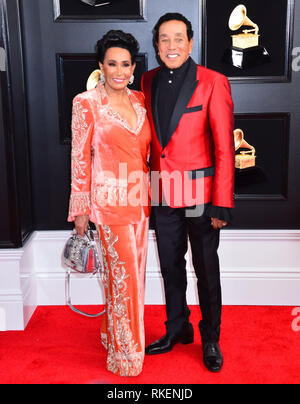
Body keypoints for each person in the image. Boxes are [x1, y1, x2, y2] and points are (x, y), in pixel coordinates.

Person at [141, 13, 235, 372]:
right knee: (169, 266)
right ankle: (177, 328)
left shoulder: (213, 81)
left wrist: (222, 203)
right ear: (157, 44)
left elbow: (225, 147)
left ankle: (210, 337)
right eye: (164, 39)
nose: (171, 46)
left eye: (178, 38)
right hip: (162, 191)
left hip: (200, 196)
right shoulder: (147, 81)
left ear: (191, 42)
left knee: (206, 268)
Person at [67, 30, 151, 377]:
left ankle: (109, 332)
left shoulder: (140, 101)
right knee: (124, 280)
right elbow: (79, 157)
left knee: (133, 281)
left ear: (134, 67)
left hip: (141, 201)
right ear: (100, 65)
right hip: (109, 204)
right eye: (112, 63)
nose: (120, 71)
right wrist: (81, 209)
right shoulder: (85, 102)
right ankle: (126, 354)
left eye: (126, 64)